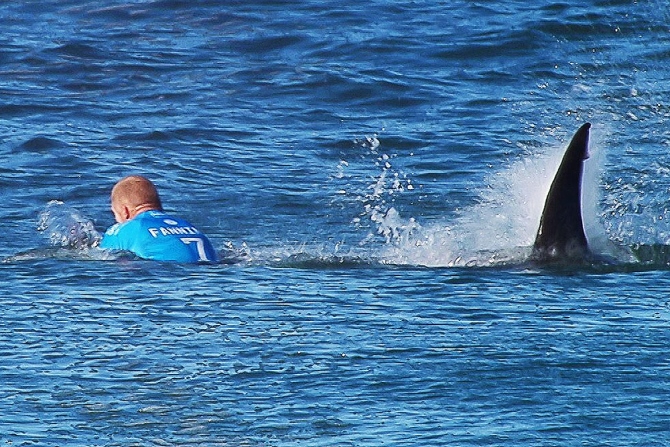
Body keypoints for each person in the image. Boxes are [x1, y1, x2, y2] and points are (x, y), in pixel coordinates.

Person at [99, 175, 218, 263]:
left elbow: (101, 256)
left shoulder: (127, 228)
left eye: (115, 213)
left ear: (125, 211)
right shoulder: (186, 225)